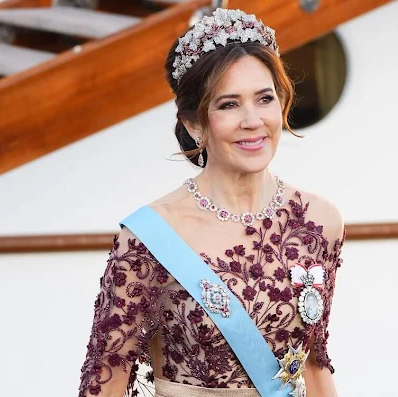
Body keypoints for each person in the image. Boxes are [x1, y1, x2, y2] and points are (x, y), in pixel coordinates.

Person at [77, 8, 345, 397]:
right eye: (228, 104)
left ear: (282, 104)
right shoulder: (149, 237)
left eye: (264, 98)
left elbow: (314, 366)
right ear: (194, 124)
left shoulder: (321, 221)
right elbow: (102, 384)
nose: (252, 120)